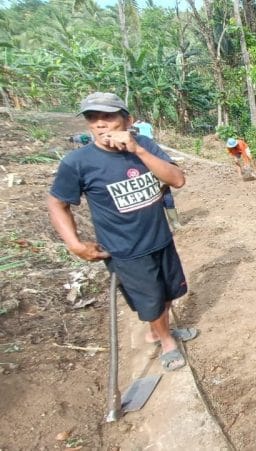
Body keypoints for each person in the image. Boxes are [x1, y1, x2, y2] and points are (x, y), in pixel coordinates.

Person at [46, 92, 195, 372]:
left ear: (127, 120)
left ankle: (157, 331)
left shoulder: (146, 147)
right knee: (150, 301)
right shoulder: (78, 163)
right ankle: (166, 341)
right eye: (93, 118)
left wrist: (138, 150)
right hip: (126, 250)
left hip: (160, 239)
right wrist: (74, 244)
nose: (100, 124)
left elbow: (177, 179)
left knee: (168, 292)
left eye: (108, 117)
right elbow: (57, 203)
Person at [133, 116, 182, 229]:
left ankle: (175, 222)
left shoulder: (146, 144)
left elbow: (171, 167)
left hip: (159, 178)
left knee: (168, 199)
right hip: (147, 182)